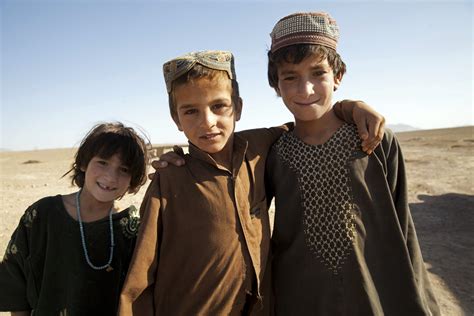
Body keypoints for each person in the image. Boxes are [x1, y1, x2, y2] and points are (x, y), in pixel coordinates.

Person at [119, 50, 385, 315]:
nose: (207, 122)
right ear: (176, 119)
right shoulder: (169, 180)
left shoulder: (259, 148)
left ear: (238, 107)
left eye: (219, 106)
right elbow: (139, 281)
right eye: (190, 111)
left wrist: (348, 107)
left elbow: (308, 122)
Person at [265, 12, 440, 315]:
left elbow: (404, 229)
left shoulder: (375, 141)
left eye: (317, 73)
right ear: (276, 84)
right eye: (290, 76)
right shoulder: (273, 154)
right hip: (301, 300)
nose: (305, 89)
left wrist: (420, 302)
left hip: (377, 297)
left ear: (338, 76)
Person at [0, 122, 149, 316]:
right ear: (84, 162)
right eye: (102, 162)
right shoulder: (43, 215)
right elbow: (16, 280)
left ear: (133, 179)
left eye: (124, 169)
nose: (111, 177)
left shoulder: (131, 227)